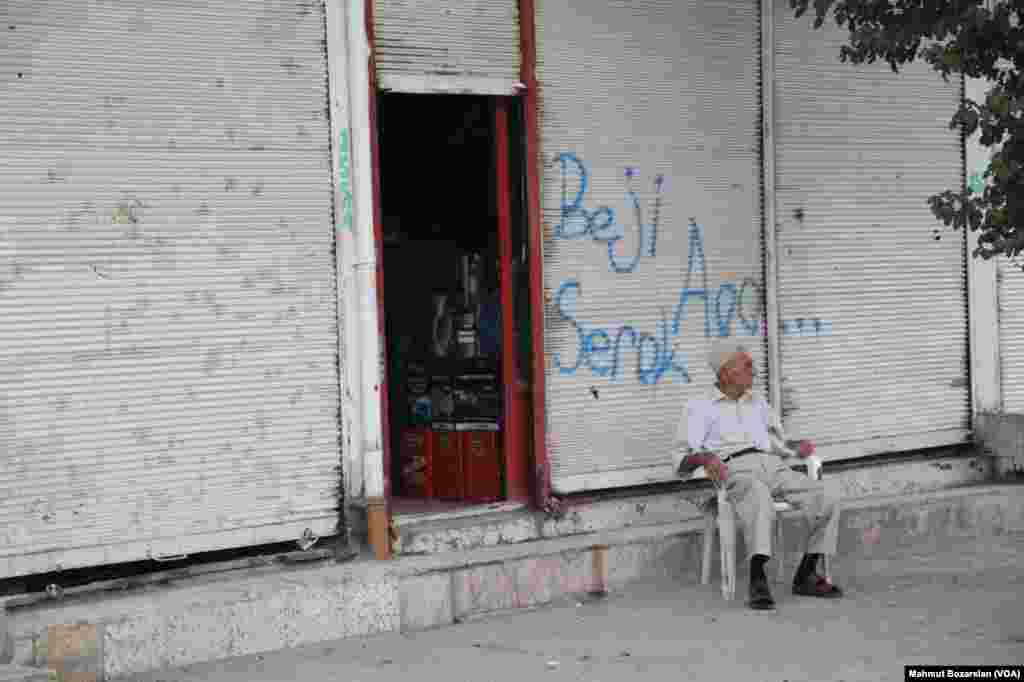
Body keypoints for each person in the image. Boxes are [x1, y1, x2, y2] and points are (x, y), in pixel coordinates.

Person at [673, 341, 843, 610]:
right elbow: (680, 461)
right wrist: (704, 458)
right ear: (727, 373)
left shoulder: (758, 403)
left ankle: (806, 573)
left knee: (827, 497)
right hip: (737, 469)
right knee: (758, 497)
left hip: (774, 466)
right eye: (748, 366)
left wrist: (796, 448)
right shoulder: (699, 408)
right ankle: (757, 576)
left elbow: (780, 443)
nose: (754, 371)